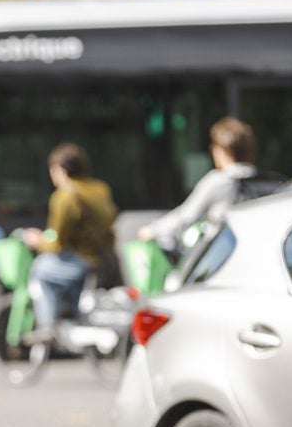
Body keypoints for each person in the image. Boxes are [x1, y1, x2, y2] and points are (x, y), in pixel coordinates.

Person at [23, 142, 117, 328]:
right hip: (104, 257)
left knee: (40, 270)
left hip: (81, 260)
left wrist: (37, 241)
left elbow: (58, 242)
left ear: (59, 170)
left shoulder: (64, 196)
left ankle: (47, 328)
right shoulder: (101, 188)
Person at [137, 117, 258, 254]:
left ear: (223, 150)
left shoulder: (219, 180)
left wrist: (153, 230)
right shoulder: (261, 179)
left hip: (222, 254)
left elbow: (186, 215)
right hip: (253, 251)